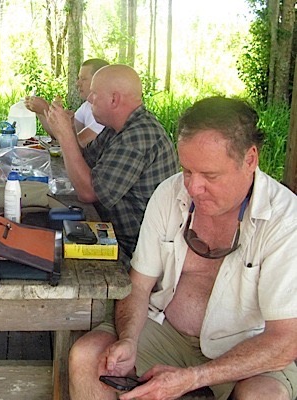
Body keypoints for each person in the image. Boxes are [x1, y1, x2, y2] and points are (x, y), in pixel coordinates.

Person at [68, 97, 297, 400]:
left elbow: (284, 340)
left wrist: (192, 378)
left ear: (250, 159)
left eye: (210, 176)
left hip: (246, 345)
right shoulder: (169, 192)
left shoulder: (285, 219)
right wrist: (129, 340)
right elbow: (138, 285)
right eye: (187, 170)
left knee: (264, 396)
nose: (193, 187)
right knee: (87, 356)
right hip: (164, 328)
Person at [46, 64, 178, 262]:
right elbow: (84, 161)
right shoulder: (118, 127)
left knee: (50, 256)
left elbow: (88, 192)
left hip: (135, 250)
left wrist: (64, 136)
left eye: (94, 94)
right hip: (113, 231)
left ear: (114, 99)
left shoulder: (137, 136)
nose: (89, 99)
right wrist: (68, 129)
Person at [25, 58, 108, 147]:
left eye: (83, 79)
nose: (78, 83)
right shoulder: (87, 106)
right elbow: (58, 135)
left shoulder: (107, 112)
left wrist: (46, 109)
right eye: (78, 78)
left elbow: (77, 144)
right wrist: (41, 112)